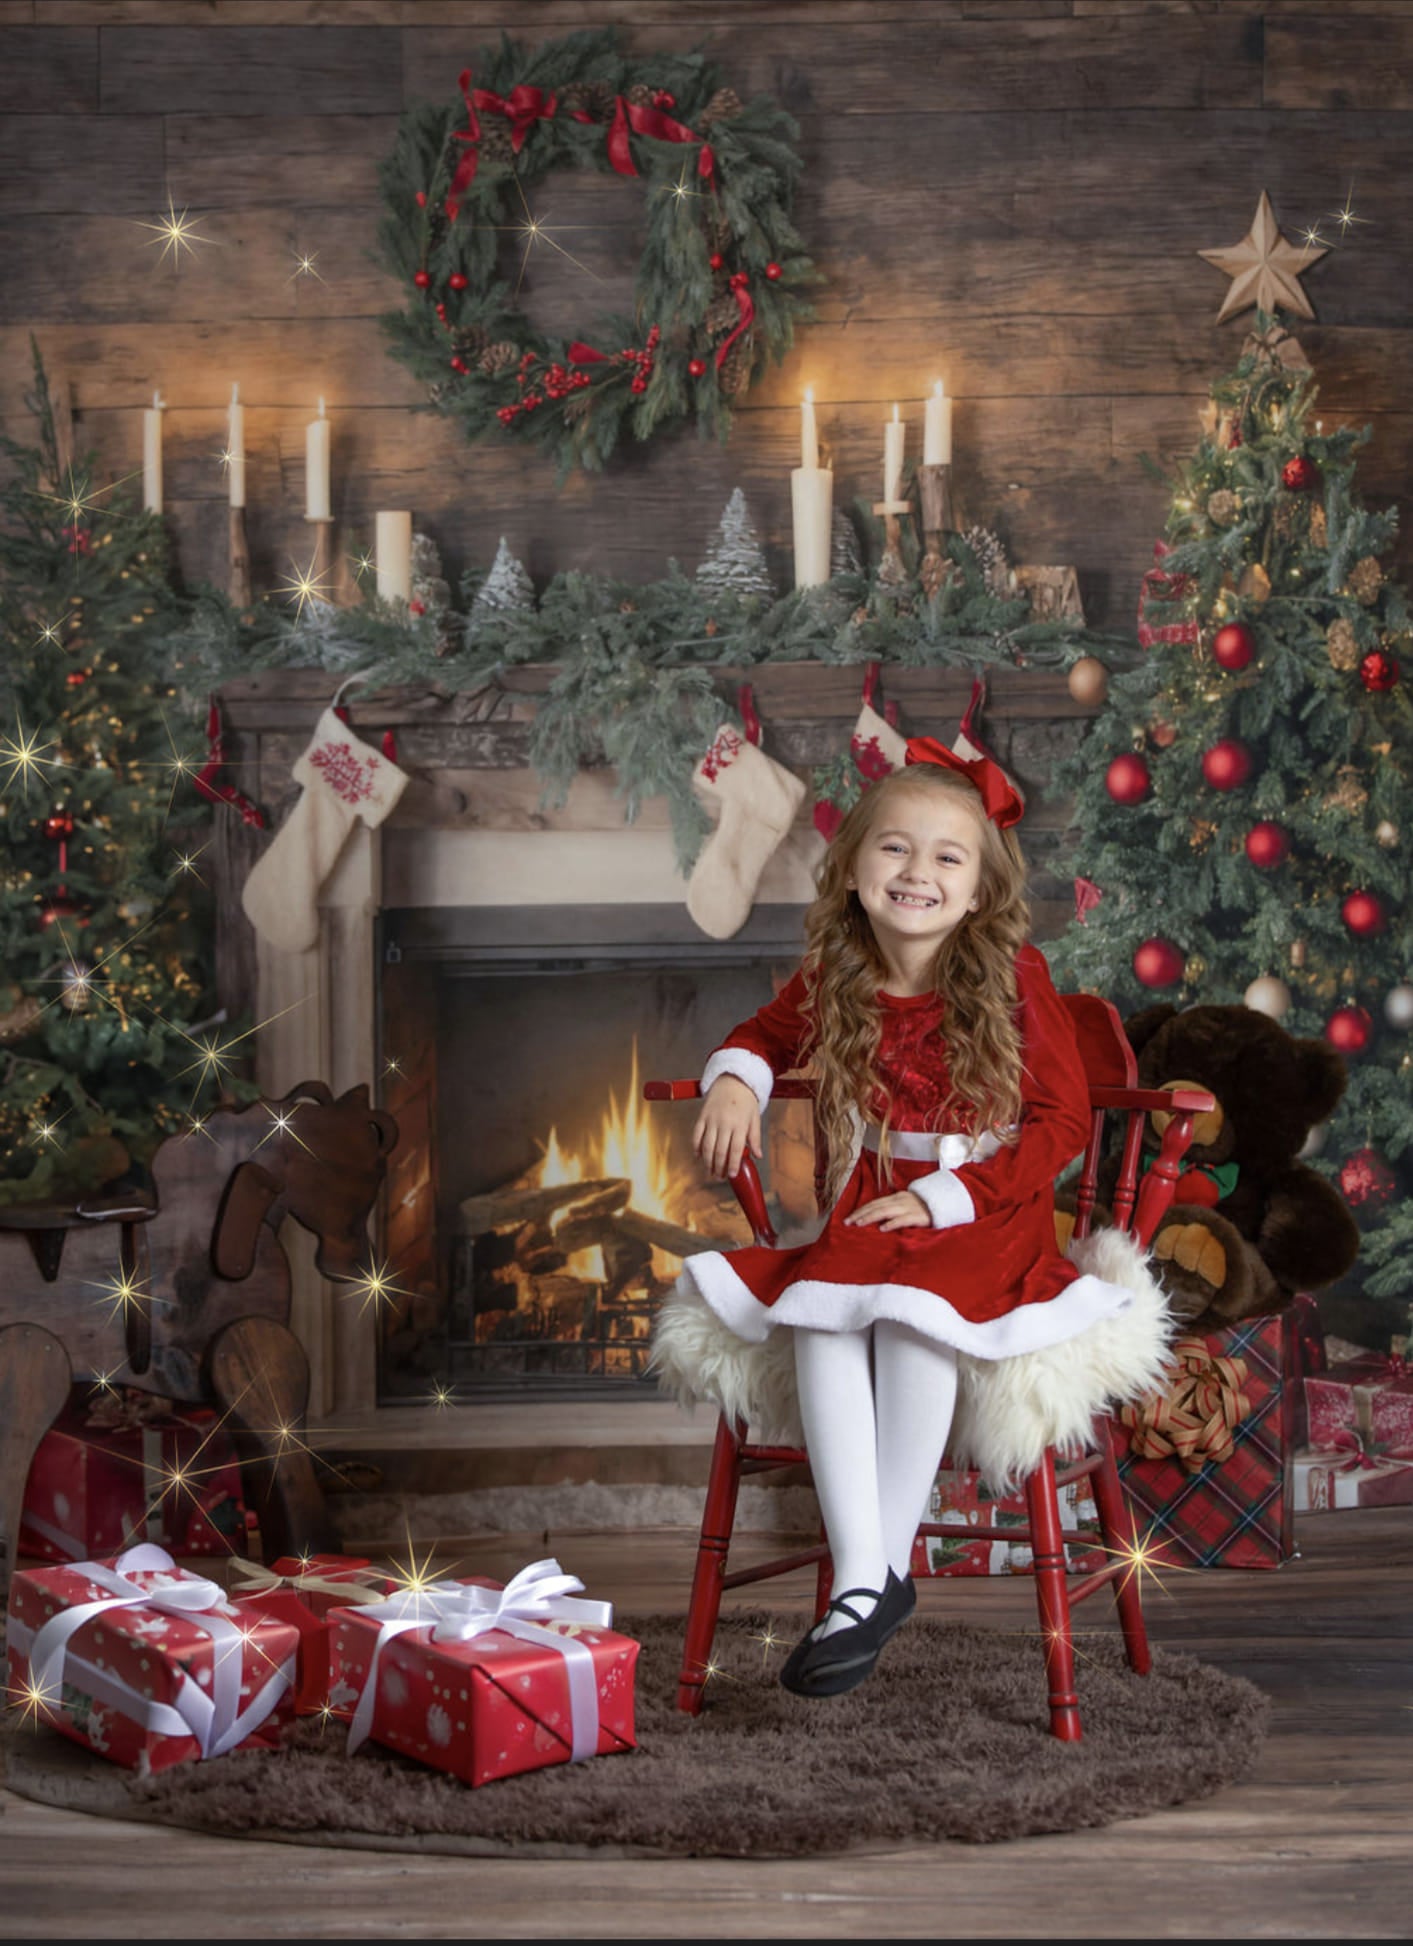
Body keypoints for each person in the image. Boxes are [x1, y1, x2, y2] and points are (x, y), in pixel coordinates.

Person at [681, 739, 1140, 1699]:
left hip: (986, 1208)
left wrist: (951, 1195)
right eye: (894, 849)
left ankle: (864, 1579)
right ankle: (868, 1581)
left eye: (946, 856)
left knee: (910, 1309)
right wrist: (734, 1081)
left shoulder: (1011, 974)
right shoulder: (837, 973)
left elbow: (1061, 1119)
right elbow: (763, 1035)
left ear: (977, 891)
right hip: (873, 1208)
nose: (917, 873)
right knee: (819, 1304)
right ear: (852, 867)